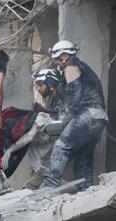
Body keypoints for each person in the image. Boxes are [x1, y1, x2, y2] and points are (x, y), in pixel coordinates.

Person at [42, 40, 108, 190]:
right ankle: (86, 189)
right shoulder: (83, 68)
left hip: (87, 115)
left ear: (65, 56)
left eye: (58, 59)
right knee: (83, 156)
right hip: (99, 118)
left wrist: (63, 122)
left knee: (61, 147)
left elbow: (73, 97)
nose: (57, 63)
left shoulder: (71, 67)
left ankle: (50, 185)